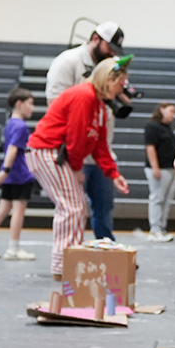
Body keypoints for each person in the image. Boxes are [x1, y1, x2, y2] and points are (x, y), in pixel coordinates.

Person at [27, 58, 129, 274]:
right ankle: (63, 266)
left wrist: (113, 173)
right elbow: (76, 137)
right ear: (108, 80)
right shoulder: (84, 96)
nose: (122, 89)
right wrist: (76, 168)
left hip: (54, 153)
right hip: (47, 151)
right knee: (72, 207)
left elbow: (99, 144)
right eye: (120, 84)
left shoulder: (98, 105)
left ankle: (67, 262)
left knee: (76, 206)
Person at [45, 21, 133, 243]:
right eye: (109, 48)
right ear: (96, 39)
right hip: (73, 150)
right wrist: (75, 165)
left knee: (103, 208)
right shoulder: (68, 62)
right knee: (74, 209)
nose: (112, 54)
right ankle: (69, 253)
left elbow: (101, 136)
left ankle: (105, 252)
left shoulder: (109, 68)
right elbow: (55, 105)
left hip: (98, 148)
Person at [0, 87, 38, 260]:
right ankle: (14, 248)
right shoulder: (21, 126)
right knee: (18, 210)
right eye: (30, 103)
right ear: (19, 104)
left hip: (11, 175)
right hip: (20, 174)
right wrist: (6, 169)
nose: (32, 108)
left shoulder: (10, 123)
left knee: (3, 208)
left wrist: (5, 170)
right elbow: (12, 149)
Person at [141, 101, 175, 242]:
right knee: (157, 198)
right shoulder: (152, 126)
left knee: (166, 199)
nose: (173, 115)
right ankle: (155, 228)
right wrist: (155, 167)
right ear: (162, 110)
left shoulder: (167, 128)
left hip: (170, 168)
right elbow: (150, 147)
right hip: (160, 169)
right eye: (171, 111)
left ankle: (162, 227)